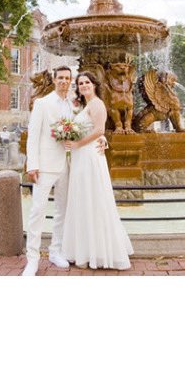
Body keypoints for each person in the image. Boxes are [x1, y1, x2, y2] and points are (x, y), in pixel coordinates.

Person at [61, 71, 133, 271]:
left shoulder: (98, 104)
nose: (83, 85)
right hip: (80, 157)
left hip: (89, 156)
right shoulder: (83, 106)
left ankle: (97, 252)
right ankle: (82, 252)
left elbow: (100, 130)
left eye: (87, 82)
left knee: (93, 199)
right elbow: (93, 130)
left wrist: (77, 144)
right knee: (81, 200)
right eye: (80, 83)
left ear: (94, 84)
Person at [22, 66, 76, 276]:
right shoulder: (42, 104)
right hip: (44, 166)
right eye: (60, 78)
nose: (64, 81)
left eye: (67, 78)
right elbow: (33, 135)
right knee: (37, 211)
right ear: (54, 80)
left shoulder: (73, 105)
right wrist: (32, 164)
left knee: (62, 211)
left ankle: (55, 251)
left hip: (67, 165)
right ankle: (33, 259)